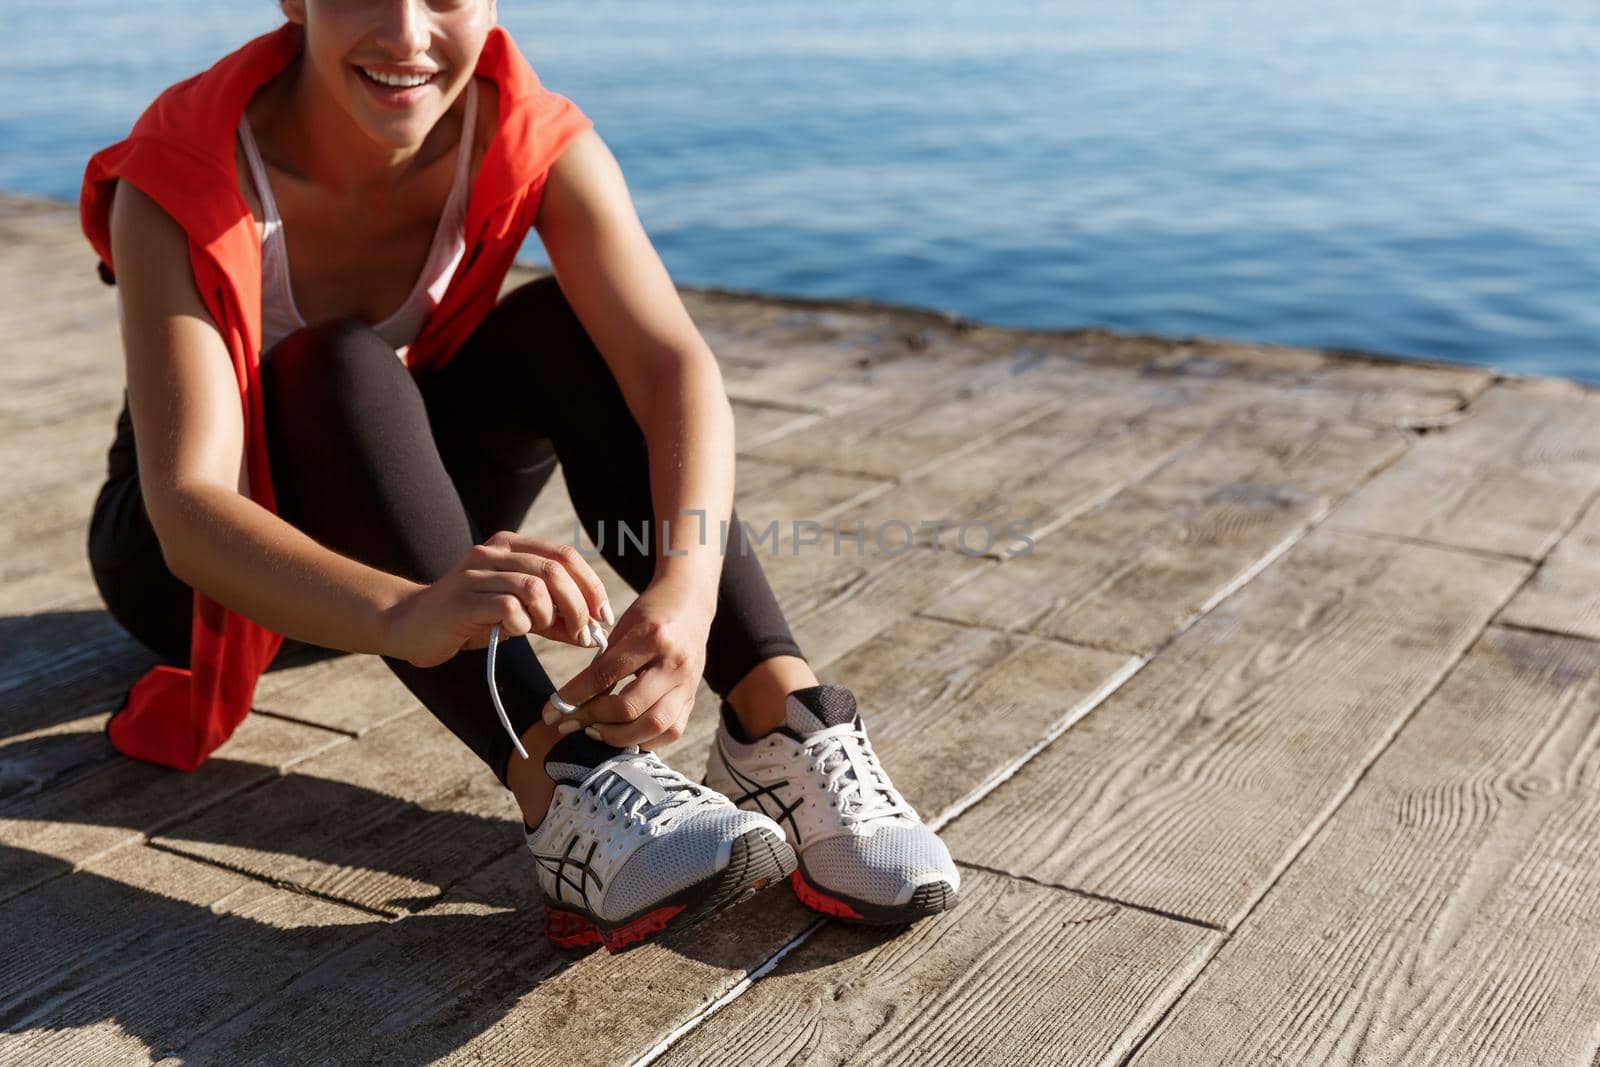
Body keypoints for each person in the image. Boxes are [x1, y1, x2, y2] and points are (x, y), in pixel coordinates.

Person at [81, 0, 958, 953]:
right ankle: (562, 777)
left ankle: (775, 715)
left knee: (570, 330)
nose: (408, 35)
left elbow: (676, 368)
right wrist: (399, 616)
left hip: (403, 537)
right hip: (202, 575)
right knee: (334, 363)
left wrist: (687, 596)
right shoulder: (182, 170)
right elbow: (189, 507)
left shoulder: (527, 134)